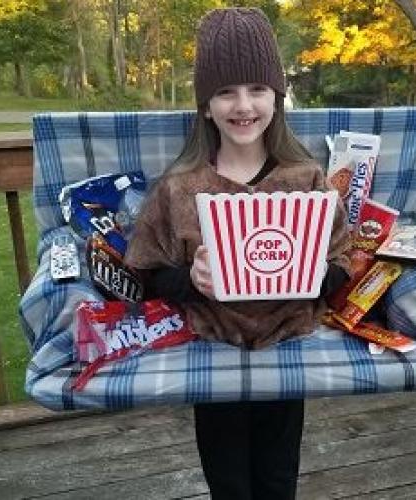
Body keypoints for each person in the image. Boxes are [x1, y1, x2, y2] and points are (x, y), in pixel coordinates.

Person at [125, 7, 351, 500]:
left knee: (277, 478)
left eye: (256, 89)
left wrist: (315, 275)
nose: (242, 104)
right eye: (225, 91)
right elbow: (146, 272)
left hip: (288, 350)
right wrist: (191, 279)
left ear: (277, 97)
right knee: (227, 482)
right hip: (213, 354)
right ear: (206, 105)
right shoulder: (180, 187)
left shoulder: (307, 179)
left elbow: (343, 264)